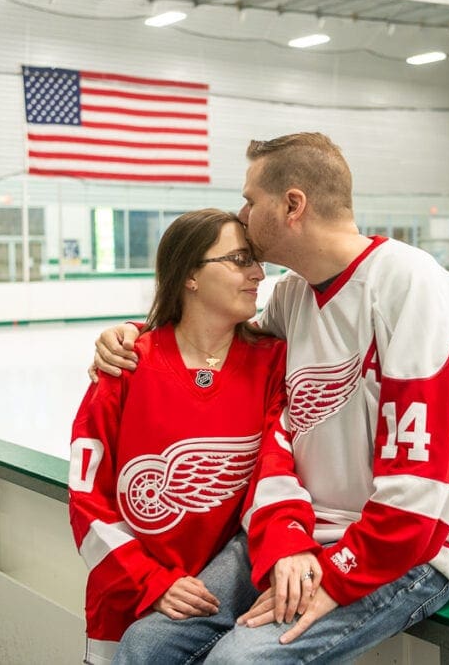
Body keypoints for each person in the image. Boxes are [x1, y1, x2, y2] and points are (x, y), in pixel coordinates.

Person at [94, 132, 449, 663]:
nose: (243, 212)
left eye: (251, 200)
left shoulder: (410, 284)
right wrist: (132, 334)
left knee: (238, 660)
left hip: (408, 552)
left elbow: (424, 484)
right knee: (147, 645)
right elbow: (212, 338)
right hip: (299, 532)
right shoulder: (292, 296)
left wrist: (334, 575)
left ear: (292, 205)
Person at [68, 208, 287, 665]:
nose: (258, 273)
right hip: (129, 602)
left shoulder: (273, 364)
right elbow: (88, 501)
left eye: (256, 260)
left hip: (225, 608)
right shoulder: (126, 365)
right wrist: (151, 579)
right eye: (240, 259)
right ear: (190, 274)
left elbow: (276, 478)